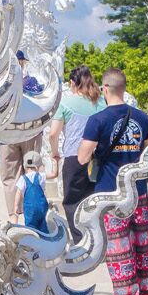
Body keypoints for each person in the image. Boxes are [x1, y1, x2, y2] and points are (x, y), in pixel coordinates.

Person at [77, 68, 148, 295]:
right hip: (139, 191)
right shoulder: (142, 118)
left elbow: (82, 157)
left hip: (111, 194)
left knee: (119, 249)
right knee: (143, 244)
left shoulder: (98, 120)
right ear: (124, 88)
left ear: (104, 89)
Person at [48, 65, 105, 235]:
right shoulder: (102, 102)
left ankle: (81, 240)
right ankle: (98, 237)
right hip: (98, 158)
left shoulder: (65, 103)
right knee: (95, 200)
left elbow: (53, 134)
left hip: (74, 157)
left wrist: (55, 153)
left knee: (72, 202)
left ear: (73, 83)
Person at [1, 51, 45, 215]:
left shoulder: (0, 84)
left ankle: (13, 214)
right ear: (22, 62)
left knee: (10, 177)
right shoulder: (32, 83)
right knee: (32, 171)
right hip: (29, 131)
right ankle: (30, 211)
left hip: (7, 133)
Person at [14, 151, 50, 233]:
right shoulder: (41, 176)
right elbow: (54, 174)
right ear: (38, 166)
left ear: (24, 166)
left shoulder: (23, 178)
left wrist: (16, 206)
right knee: (42, 224)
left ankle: (33, 238)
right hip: (42, 206)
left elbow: (18, 193)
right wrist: (55, 163)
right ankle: (45, 237)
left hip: (29, 208)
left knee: (30, 228)